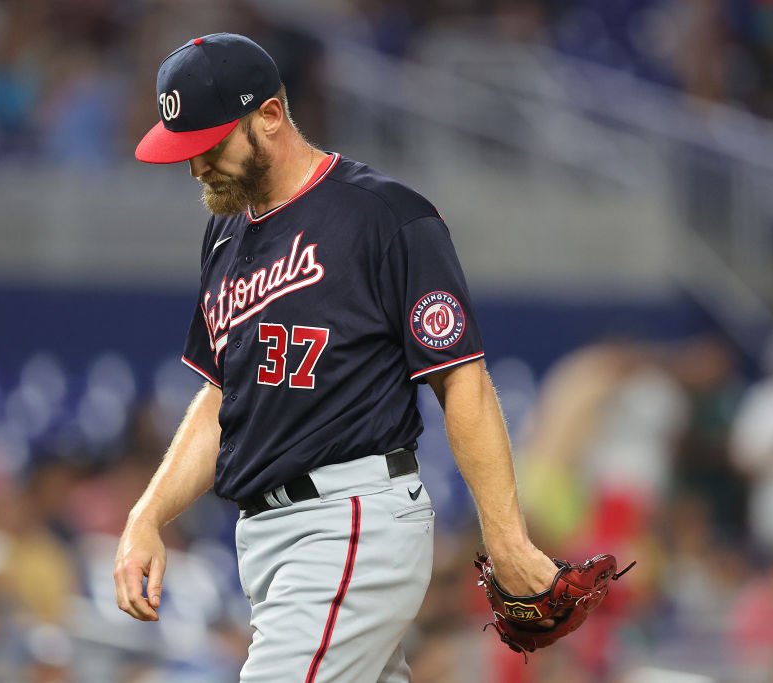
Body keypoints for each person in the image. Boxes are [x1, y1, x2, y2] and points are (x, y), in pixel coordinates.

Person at [113, 32, 557, 682]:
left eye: (209, 144)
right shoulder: (226, 232)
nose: (196, 166)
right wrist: (146, 515)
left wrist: (507, 538)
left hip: (348, 521)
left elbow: (463, 382)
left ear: (269, 114)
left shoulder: (384, 216)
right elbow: (220, 400)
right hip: (269, 542)